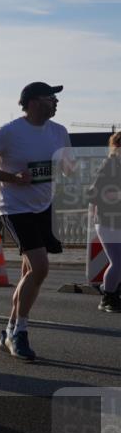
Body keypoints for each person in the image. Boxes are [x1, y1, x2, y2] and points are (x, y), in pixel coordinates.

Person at [0, 82, 72, 361]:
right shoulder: (9, 132)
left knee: (30, 271)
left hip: (44, 206)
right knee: (40, 268)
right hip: (15, 208)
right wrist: (12, 178)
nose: (56, 102)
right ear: (33, 101)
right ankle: (20, 333)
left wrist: (70, 168)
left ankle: (9, 331)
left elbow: (67, 165)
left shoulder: (59, 131)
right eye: (51, 97)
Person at [88, 131, 121, 312]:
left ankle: (111, 289)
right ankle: (108, 297)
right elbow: (93, 193)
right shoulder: (110, 164)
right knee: (118, 262)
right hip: (107, 221)